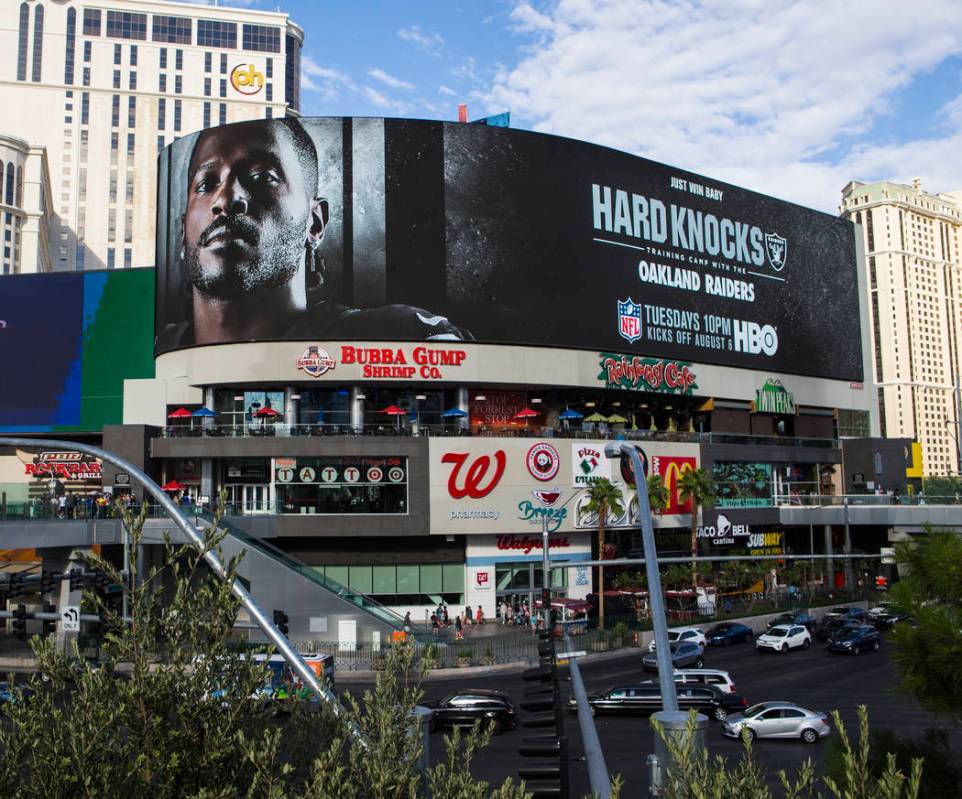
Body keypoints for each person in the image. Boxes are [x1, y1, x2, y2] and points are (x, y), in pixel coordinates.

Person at [157, 118, 471, 350]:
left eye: (262, 177)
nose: (225, 200)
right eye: (206, 183)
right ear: (183, 230)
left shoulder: (401, 334)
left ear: (315, 222)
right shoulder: (159, 348)